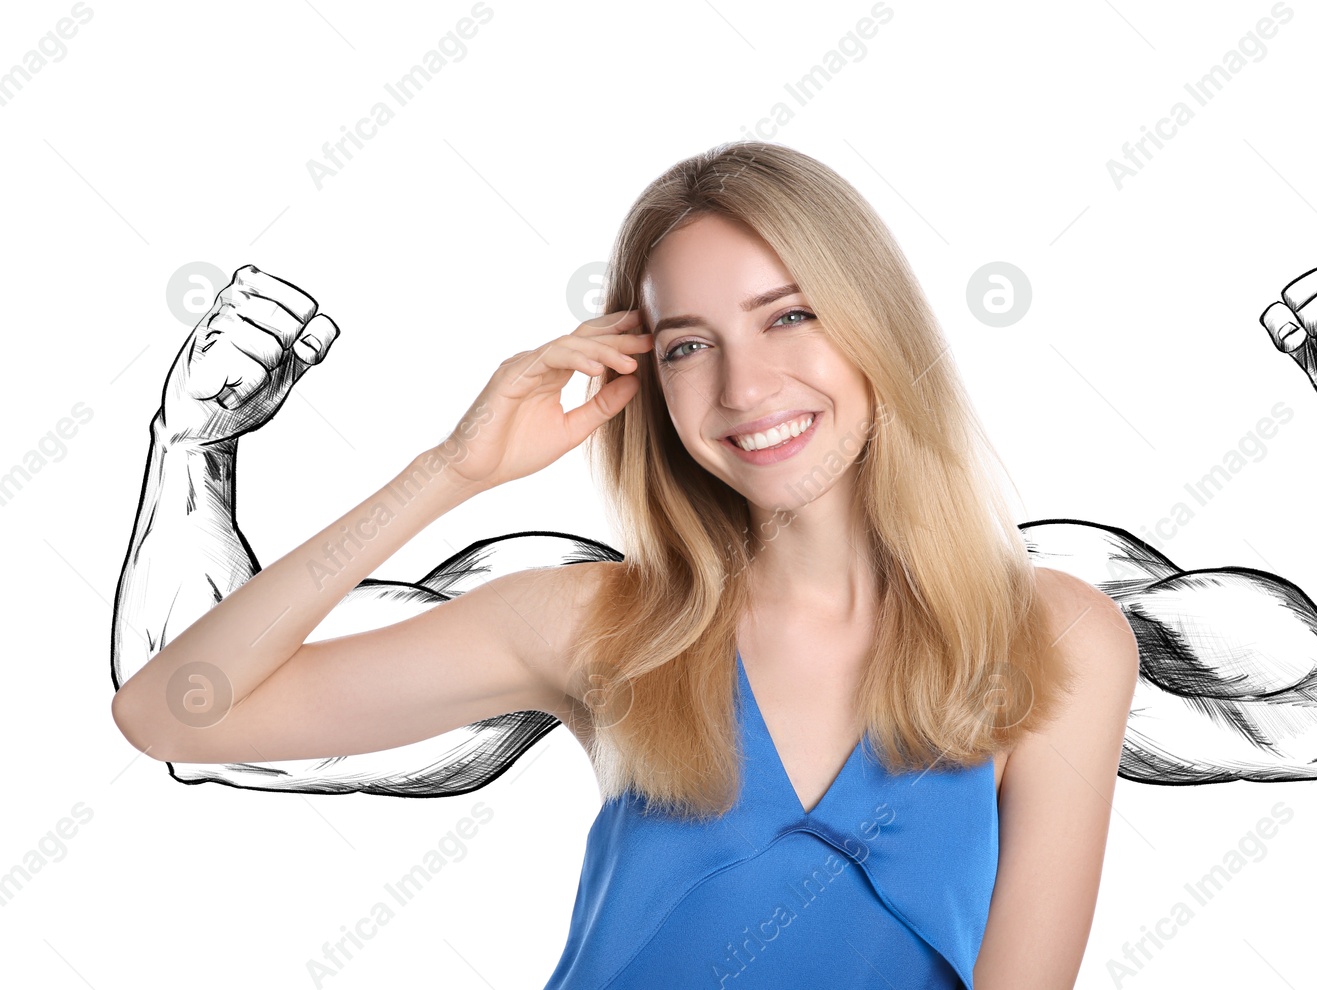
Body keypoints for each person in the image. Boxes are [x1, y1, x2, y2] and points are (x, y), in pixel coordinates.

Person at [111, 141, 1143, 987]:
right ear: (647, 379)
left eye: (789, 315)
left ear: (875, 323)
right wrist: (452, 471)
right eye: (688, 345)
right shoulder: (593, 620)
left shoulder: (1055, 636)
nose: (744, 386)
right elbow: (175, 713)